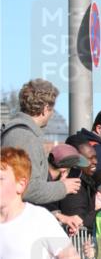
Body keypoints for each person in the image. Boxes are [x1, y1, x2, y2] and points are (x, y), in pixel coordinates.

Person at [1, 79, 81, 207]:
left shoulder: (22, 134)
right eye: (52, 108)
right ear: (45, 109)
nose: (52, 113)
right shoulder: (25, 137)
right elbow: (27, 189)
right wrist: (63, 187)